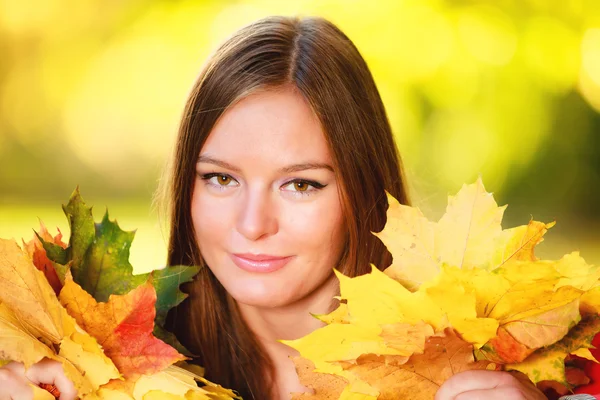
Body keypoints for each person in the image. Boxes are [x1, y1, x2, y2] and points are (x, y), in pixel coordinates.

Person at [0, 16, 547, 400]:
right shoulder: (99, 364)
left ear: (363, 190)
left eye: (301, 185)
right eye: (220, 178)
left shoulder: (481, 360)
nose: (252, 224)